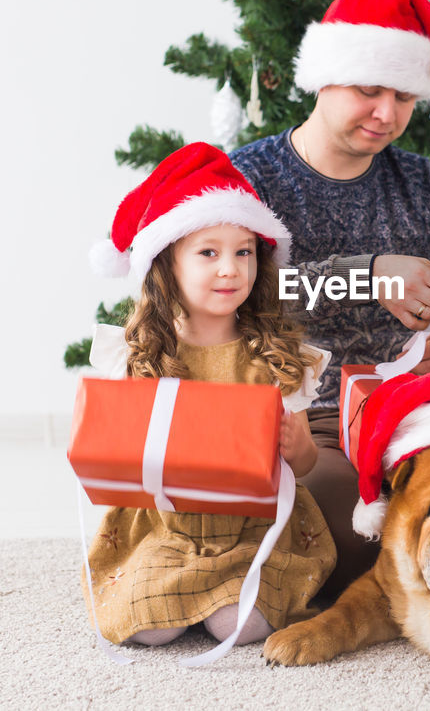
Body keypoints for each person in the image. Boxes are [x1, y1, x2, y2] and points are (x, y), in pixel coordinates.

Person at [232, 0, 430, 597]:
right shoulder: (248, 180)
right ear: (324, 78)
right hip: (305, 425)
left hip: (415, 424)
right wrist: (365, 276)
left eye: (405, 97)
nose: (387, 114)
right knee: (358, 546)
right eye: (368, 91)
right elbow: (234, 296)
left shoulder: (421, 183)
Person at [83, 142, 335, 649]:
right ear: (166, 265)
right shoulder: (138, 355)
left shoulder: (278, 357)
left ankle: (221, 596)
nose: (230, 269)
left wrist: (295, 447)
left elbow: (305, 463)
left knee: (238, 626)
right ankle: (178, 590)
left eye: (243, 252)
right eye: (208, 253)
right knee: (148, 629)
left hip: (254, 531)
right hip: (166, 530)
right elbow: (123, 462)